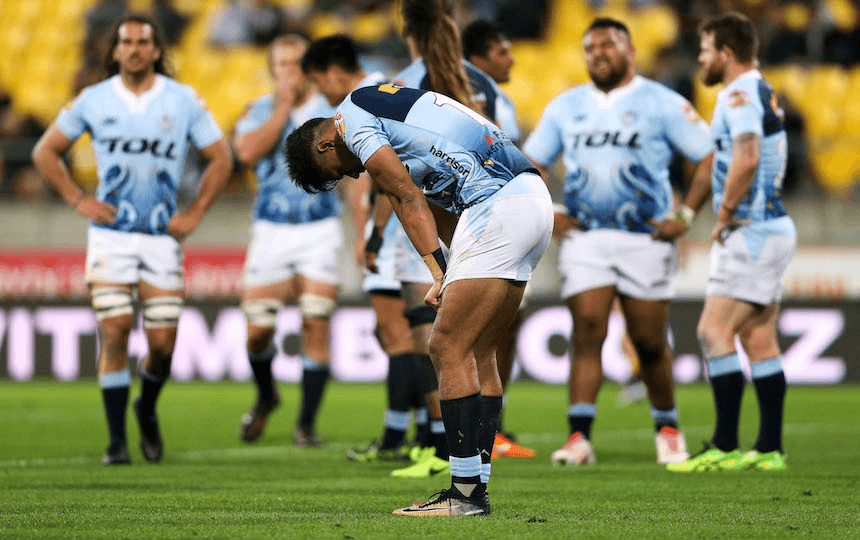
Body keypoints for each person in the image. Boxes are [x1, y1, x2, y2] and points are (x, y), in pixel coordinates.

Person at [285, 84, 553, 516]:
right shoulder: (390, 121)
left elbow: (405, 197)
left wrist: (437, 272)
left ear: (325, 144)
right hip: (528, 199)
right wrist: (451, 269)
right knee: (480, 353)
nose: (353, 176)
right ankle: (476, 487)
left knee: (445, 346)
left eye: (336, 171)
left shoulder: (351, 119)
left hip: (498, 205)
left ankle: (464, 496)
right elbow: (440, 205)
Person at [31, 14, 232, 465]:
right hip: (111, 237)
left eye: (144, 41)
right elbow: (45, 151)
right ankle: (117, 441)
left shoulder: (182, 100)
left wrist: (195, 212)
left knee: (161, 347)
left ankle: (147, 407)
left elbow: (220, 157)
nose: (136, 49)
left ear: (157, 50)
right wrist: (76, 198)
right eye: (127, 42)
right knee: (116, 330)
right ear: (116, 49)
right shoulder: (94, 99)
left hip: (162, 237)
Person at [522, 17, 714, 466]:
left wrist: (685, 214)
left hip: (644, 236)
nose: (597, 54)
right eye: (589, 48)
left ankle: (667, 426)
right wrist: (550, 210)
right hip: (586, 238)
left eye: (607, 45)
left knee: (648, 341)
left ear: (630, 50)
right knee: (588, 330)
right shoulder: (566, 106)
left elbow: (707, 156)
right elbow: (532, 160)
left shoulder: (662, 101)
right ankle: (579, 437)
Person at [668, 12, 795, 473]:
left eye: (705, 50)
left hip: (751, 228)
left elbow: (747, 155)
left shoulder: (738, 93)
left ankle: (723, 444)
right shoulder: (761, 89)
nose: (700, 59)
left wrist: (723, 212)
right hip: (771, 227)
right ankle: (770, 448)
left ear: (725, 52)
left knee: (712, 332)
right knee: (758, 337)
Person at [299, 34, 433, 461]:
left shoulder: (358, 104)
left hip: (398, 234)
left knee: (404, 338)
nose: (322, 92)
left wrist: (366, 234)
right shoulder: (387, 90)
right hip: (398, 231)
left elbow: (382, 181)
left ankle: (409, 439)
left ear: (335, 72)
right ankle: (417, 435)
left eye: (321, 83)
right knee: (403, 337)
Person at [233, 34, 362, 447]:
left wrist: (361, 231)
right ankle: (267, 394)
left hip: (320, 228)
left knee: (316, 320)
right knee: (257, 331)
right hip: (271, 228)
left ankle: (306, 425)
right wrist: (283, 108)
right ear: (272, 70)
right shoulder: (258, 110)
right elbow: (247, 153)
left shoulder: (332, 112)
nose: (290, 71)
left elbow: (354, 175)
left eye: (296, 63)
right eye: (282, 64)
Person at [462, 18, 537, 460]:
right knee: (471, 334)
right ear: (481, 56)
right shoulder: (474, 93)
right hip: (488, 220)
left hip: (506, 217)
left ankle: (492, 429)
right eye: (503, 50)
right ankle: (453, 433)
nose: (511, 58)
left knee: (499, 328)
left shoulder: (498, 95)